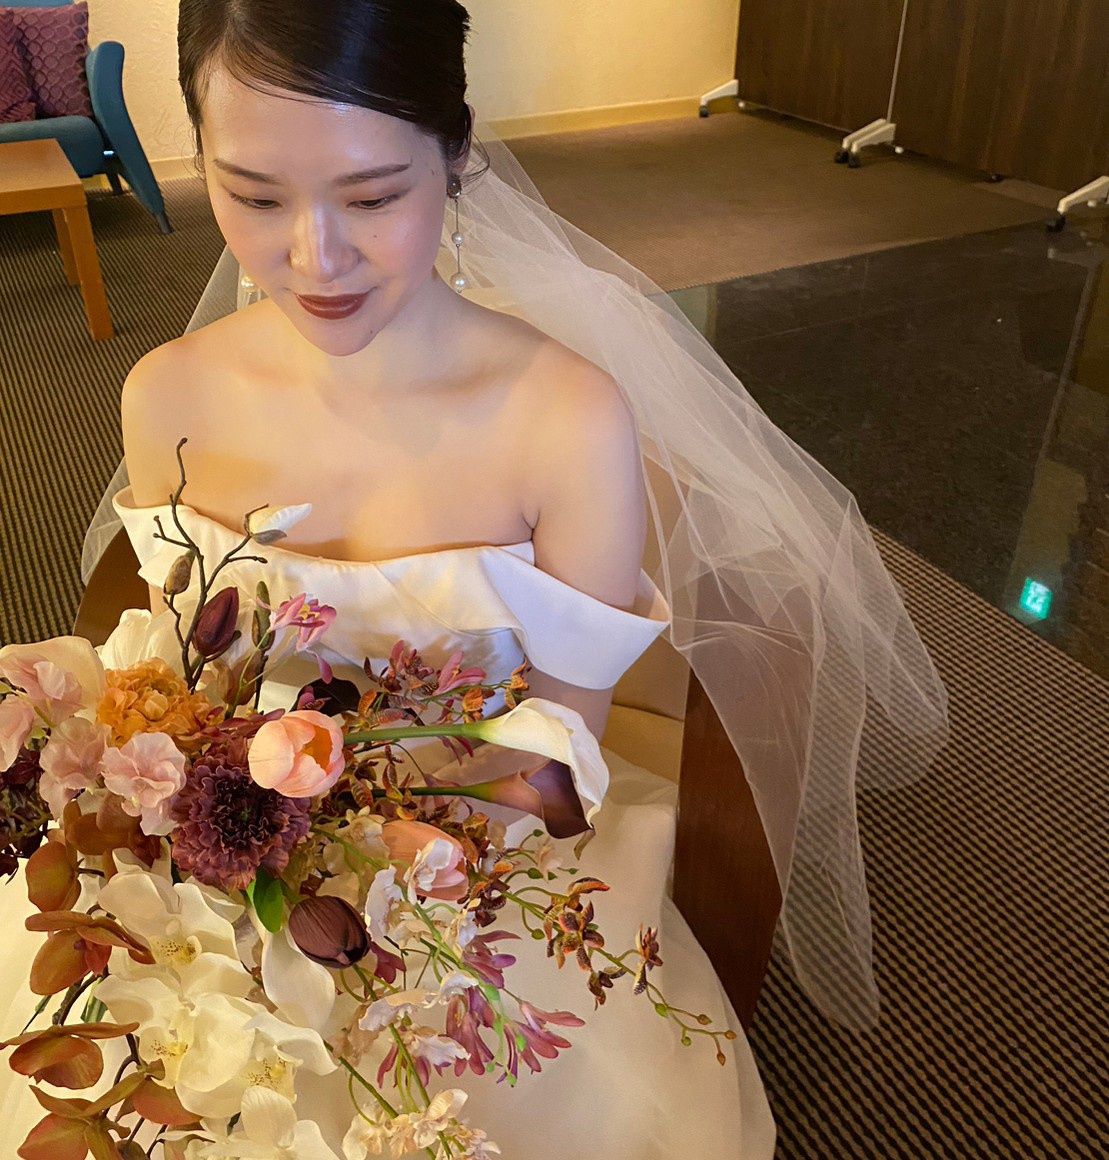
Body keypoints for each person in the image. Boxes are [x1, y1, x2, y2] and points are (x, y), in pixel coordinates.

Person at [2, 0, 949, 1155]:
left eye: (371, 197)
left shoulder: (563, 419)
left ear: (453, 156)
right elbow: (177, 676)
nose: (314, 257)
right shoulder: (165, 393)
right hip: (220, 854)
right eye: (253, 196)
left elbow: (559, 744)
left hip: (471, 850)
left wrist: (373, 860)